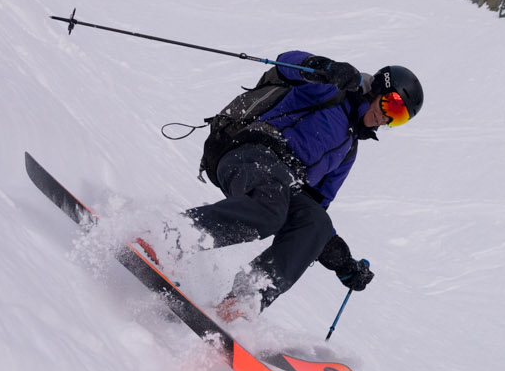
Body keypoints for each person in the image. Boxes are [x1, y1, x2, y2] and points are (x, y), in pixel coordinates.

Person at [178, 51, 423, 320]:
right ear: (378, 88)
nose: (387, 118)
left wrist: (343, 262)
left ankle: (242, 301)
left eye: (398, 117)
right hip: (251, 153)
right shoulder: (333, 91)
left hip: (282, 185)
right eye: (391, 105)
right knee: (271, 208)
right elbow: (287, 64)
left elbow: (312, 209)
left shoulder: (348, 151)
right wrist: (324, 68)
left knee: (315, 224)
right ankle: (173, 236)